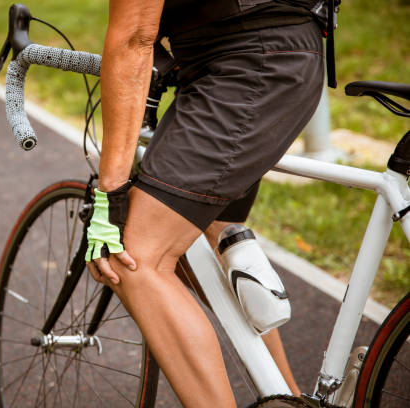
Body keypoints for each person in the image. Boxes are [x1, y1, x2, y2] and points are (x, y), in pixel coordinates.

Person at [85, 0, 324, 406]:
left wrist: (110, 195)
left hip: (250, 64)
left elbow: (134, 36)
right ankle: (286, 400)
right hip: (259, 56)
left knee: (135, 255)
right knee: (209, 234)